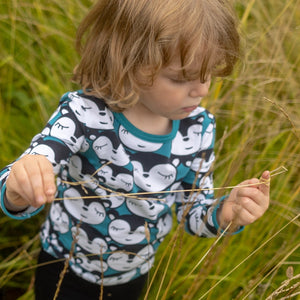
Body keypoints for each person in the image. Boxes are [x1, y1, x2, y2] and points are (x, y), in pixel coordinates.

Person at [0, 0, 270, 299]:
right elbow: (37, 160)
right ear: (129, 63)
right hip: (64, 266)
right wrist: (17, 189)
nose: (201, 90)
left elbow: (193, 213)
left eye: (207, 75)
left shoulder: (198, 129)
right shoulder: (84, 115)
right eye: (180, 78)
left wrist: (225, 213)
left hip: (134, 275)